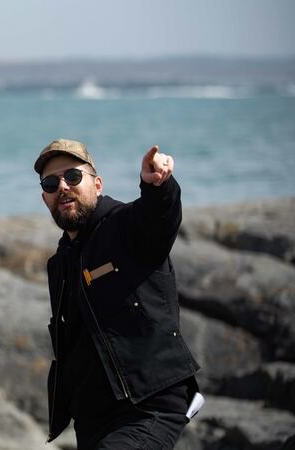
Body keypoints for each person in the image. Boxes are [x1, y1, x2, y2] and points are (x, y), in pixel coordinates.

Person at [35, 139, 201, 449]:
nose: (63, 187)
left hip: (149, 407)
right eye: (51, 183)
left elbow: (159, 217)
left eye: (73, 176)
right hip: (93, 423)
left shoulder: (125, 226)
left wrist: (158, 186)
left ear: (97, 185)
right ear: (45, 198)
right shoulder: (60, 264)